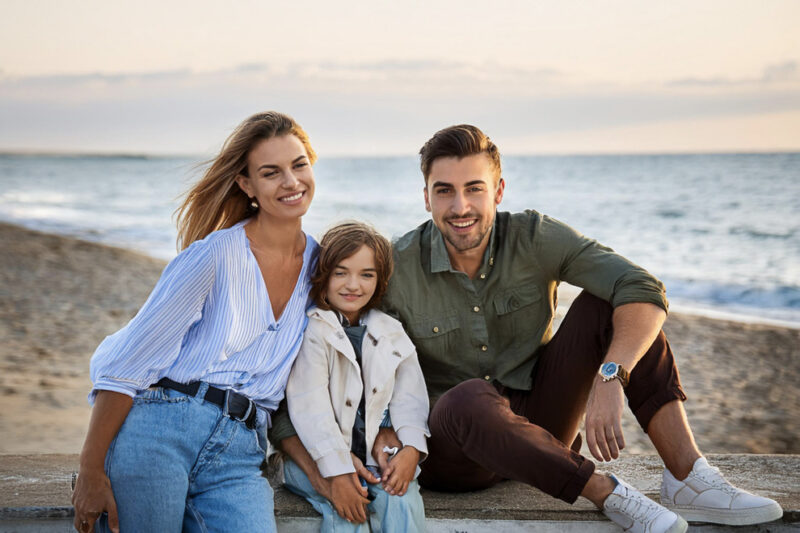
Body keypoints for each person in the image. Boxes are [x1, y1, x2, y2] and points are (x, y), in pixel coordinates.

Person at [375, 124, 784, 532]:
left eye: (475, 189)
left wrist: (611, 375)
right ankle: (608, 493)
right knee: (468, 398)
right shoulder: (396, 266)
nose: (460, 206)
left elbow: (641, 287)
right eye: (444, 190)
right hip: (456, 454)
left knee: (609, 304)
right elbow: (361, 363)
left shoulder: (534, 236)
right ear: (426, 197)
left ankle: (688, 478)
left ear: (498, 192)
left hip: (540, 423)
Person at [71, 111, 318, 533]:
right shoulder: (213, 256)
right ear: (247, 185)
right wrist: (91, 470)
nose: (292, 182)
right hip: (160, 430)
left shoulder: (323, 267)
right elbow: (129, 365)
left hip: (241, 451)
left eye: (299, 165)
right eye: (271, 172)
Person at [283, 221, 429, 532]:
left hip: (375, 459)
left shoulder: (391, 330)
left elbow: (410, 398)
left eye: (367, 274)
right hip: (315, 457)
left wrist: (411, 450)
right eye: (341, 272)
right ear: (323, 275)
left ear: (380, 280)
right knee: (347, 516)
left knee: (401, 500)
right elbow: (310, 409)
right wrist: (336, 470)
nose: (353, 284)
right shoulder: (313, 329)